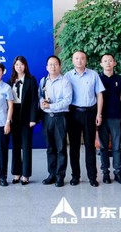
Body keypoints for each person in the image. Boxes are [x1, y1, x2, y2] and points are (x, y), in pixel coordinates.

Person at [64, 51, 104, 187]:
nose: (79, 60)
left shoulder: (93, 75)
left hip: (90, 113)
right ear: (72, 60)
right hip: (74, 113)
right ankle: (75, 176)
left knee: (90, 146)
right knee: (74, 147)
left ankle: (92, 177)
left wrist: (99, 114)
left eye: (82, 58)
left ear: (86, 60)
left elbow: (99, 95)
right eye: (76, 58)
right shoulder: (67, 76)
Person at [39, 56, 72, 187]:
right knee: (50, 148)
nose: (53, 67)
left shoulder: (65, 81)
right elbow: (40, 96)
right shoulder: (43, 81)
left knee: (61, 148)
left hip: (60, 117)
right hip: (47, 118)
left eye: (55, 64)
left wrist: (51, 106)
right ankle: (51, 174)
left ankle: (60, 176)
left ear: (59, 66)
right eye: (50, 64)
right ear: (46, 67)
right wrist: (42, 102)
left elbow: (67, 101)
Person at [97, 53, 121, 185]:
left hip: (116, 117)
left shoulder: (120, 79)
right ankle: (105, 173)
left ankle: (118, 172)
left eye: (110, 61)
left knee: (116, 147)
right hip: (102, 118)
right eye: (105, 61)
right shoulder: (98, 79)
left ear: (114, 63)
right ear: (101, 64)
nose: (108, 63)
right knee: (103, 147)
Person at [7, 56, 38, 185]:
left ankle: (25, 174)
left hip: (26, 115)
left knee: (26, 145)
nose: (19, 67)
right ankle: (16, 172)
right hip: (14, 114)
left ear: (25, 66)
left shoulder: (31, 80)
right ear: (14, 67)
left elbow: (34, 100)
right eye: (17, 65)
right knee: (15, 146)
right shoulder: (10, 81)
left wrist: (33, 118)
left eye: (21, 64)